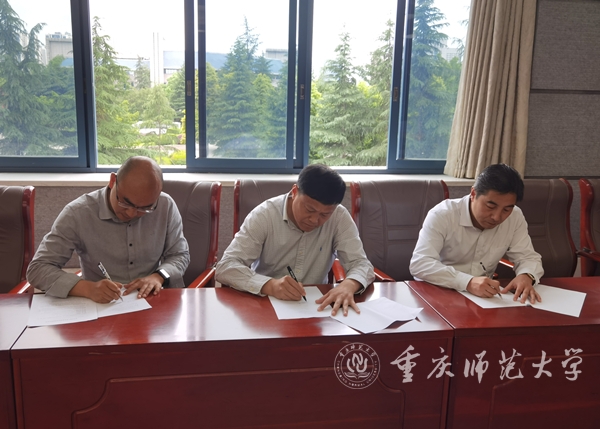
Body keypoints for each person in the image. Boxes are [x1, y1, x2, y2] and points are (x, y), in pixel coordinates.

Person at [215, 164, 375, 316]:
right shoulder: (264, 215)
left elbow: (361, 263)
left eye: (324, 214)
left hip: (317, 307)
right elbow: (226, 266)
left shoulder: (339, 217)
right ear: (294, 191)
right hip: (265, 304)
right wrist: (270, 285)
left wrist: (349, 284)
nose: (314, 220)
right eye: (309, 209)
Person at [26, 156, 190, 303]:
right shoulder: (78, 213)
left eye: (145, 208)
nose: (131, 213)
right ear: (113, 181)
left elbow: (180, 255)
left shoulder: (165, 206)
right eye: (125, 203)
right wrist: (87, 288)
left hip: (154, 301)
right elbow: (38, 269)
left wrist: (159, 276)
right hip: (101, 305)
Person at [409, 163, 543, 303]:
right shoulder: (443, 215)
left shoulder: (515, 217)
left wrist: (527, 275)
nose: (497, 217)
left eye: (506, 209)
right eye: (490, 206)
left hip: (484, 298)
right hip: (438, 293)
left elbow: (527, 257)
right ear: (473, 194)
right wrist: (467, 282)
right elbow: (420, 263)